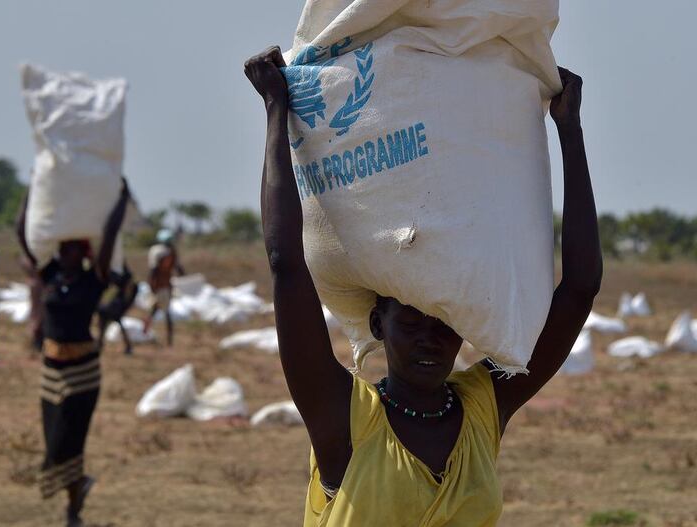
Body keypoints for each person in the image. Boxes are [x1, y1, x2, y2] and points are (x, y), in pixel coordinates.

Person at [245, 47, 602, 526]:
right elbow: (286, 263)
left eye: (445, 322)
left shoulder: (483, 407)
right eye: (411, 320)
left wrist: (569, 130)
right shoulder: (342, 416)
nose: (430, 338)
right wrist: (276, 110)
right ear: (378, 322)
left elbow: (580, 289)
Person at [17, 179, 129, 527]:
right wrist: (32, 194)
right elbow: (23, 234)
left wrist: (120, 201)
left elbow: (108, 239)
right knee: (53, 442)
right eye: (63, 249)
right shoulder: (49, 274)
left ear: (83, 253)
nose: (66, 254)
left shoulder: (94, 279)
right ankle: (76, 488)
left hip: (83, 372)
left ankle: (73, 510)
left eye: (73, 250)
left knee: (71, 439)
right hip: (50, 370)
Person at [144, 229, 185, 346]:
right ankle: (168, 340)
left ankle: (147, 334)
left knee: (155, 311)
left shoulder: (159, 252)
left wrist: (152, 285)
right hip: (163, 287)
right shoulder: (169, 253)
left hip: (160, 287)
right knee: (161, 312)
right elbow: (179, 270)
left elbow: (153, 271)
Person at [96, 264, 138, 355]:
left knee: (107, 316)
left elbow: (129, 290)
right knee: (106, 317)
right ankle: (100, 343)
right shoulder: (120, 273)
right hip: (117, 303)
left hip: (119, 303)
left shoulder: (124, 275)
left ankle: (100, 343)